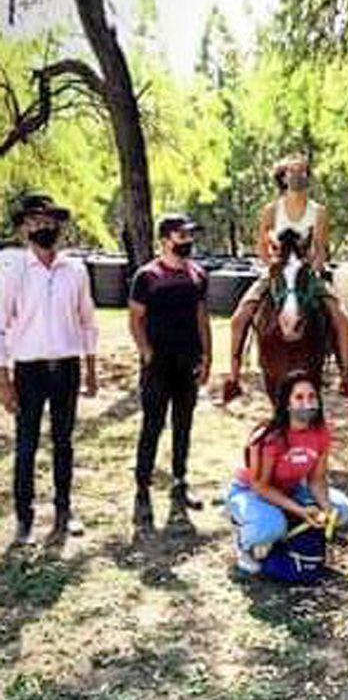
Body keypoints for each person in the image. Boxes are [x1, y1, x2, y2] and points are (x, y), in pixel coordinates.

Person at [0, 194, 98, 543]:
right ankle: (24, 517)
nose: (43, 227)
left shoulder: (75, 269)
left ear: (58, 225)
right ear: (24, 227)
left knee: (64, 441)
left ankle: (64, 508)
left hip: (66, 368)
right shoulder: (12, 268)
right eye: (35, 222)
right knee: (26, 444)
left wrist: (90, 368)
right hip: (28, 370)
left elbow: (87, 320)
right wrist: (3, 380)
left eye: (49, 221)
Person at [225, 155, 348, 399]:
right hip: (277, 271)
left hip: (307, 272)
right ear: (283, 177)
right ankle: (234, 379)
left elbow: (321, 248)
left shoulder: (318, 211)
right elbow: (261, 247)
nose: (297, 176)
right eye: (292, 171)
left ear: (308, 177)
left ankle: (346, 376)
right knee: (239, 318)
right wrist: (274, 266)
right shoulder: (271, 210)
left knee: (342, 318)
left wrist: (313, 267)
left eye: (302, 171)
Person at [224, 371, 348, 574]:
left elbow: (317, 479)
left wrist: (326, 507)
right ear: (287, 404)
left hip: (290, 489)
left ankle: (288, 528)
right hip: (252, 491)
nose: (307, 403)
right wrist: (300, 510)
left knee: (343, 510)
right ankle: (242, 534)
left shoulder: (321, 432)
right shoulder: (269, 436)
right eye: (299, 397)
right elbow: (261, 486)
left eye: (312, 397)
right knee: (270, 527)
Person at [128, 213, 212, 526]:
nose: (187, 241)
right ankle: (142, 487)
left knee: (183, 423)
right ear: (165, 240)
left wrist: (207, 356)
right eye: (181, 236)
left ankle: (179, 482)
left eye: (190, 236)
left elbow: (202, 317)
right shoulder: (146, 276)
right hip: (157, 364)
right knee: (153, 424)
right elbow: (135, 319)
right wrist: (147, 352)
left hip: (188, 361)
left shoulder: (198, 274)